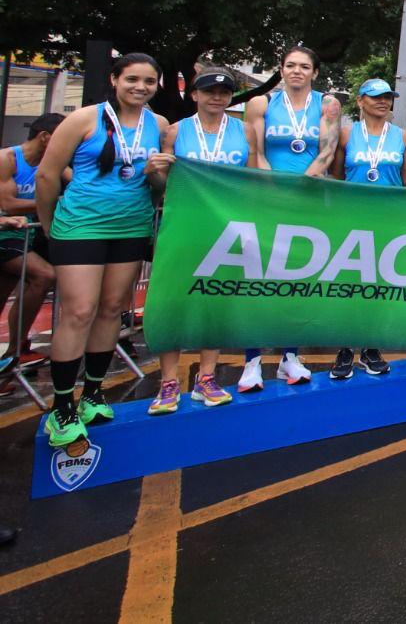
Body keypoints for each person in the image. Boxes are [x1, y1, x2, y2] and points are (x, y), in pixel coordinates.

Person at [34, 54, 174, 451]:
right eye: (132, 79)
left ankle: (93, 394)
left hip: (130, 226)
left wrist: (157, 174)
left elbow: (158, 188)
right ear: (114, 79)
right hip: (80, 227)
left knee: (113, 309)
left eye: (149, 81)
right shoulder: (83, 120)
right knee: (79, 311)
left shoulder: (158, 125)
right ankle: (62, 407)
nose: (140, 87)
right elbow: (47, 175)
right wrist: (49, 228)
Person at [241, 44, 342, 392]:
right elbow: (256, 152)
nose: (297, 71)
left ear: (314, 72)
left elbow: (327, 151)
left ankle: (290, 356)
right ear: (280, 69)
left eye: (304, 66)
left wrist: (301, 187)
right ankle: (251, 360)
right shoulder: (261, 104)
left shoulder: (327, 104)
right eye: (290, 65)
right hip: (268, 200)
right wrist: (274, 187)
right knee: (259, 279)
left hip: (309, 202)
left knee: (299, 279)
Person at [147, 68, 248, 415]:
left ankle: (207, 376)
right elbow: (162, 186)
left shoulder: (244, 131)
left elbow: (254, 179)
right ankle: (169, 381)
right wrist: (156, 171)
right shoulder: (176, 131)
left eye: (224, 92)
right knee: (175, 301)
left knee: (215, 302)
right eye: (209, 91)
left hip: (227, 229)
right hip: (185, 226)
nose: (217, 97)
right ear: (194, 95)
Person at [332, 78, 406, 380]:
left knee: (379, 286)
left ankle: (371, 348)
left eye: (388, 97)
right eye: (376, 97)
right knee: (350, 286)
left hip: (389, 222)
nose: (383, 102)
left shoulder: (402, 136)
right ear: (360, 101)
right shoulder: (347, 134)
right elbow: (336, 178)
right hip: (352, 221)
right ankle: (345, 348)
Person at [0, 113, 64, 372]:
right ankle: (15, 350)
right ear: (45, 137)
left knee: (5, 293)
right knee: (44, 275)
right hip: (5, 233)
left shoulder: (51, 163)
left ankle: (15, 351)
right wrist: (54, 201)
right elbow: (8, 204)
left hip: (21, 235)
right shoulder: (8, 159)